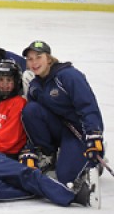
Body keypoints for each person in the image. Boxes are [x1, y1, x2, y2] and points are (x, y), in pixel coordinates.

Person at [20, 40, 105, 185]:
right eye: (30, 59)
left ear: (48, 58)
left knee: (66, 176)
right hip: (59, 129)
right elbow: (34, 120)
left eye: (38, 57)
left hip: (78, 132)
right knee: (30, 110)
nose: (34, 62)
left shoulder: (68, 76)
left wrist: (93, 135)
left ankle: (94, 159)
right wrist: (30, 148)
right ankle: (47, 154)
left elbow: (87, 105)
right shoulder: (34, 86)